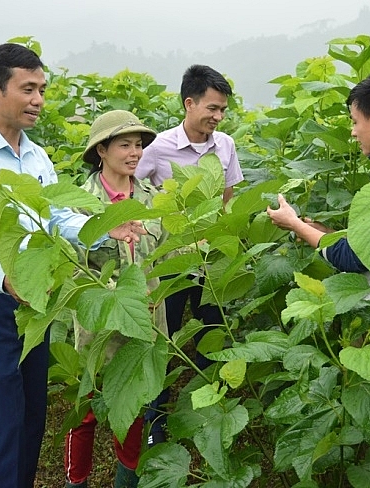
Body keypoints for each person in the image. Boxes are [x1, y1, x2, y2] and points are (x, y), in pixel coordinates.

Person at [0, 43, 145, 488]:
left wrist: (109, 228)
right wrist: (2, 277)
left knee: (31, 418)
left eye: (42, 90)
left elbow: (58, 217)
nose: (39, 101)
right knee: (4, 423)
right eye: (27, 89)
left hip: (35, 298)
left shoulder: (36, 156)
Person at [135, 64, 244, 444]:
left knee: (213, 334)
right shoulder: (158, 148)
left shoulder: (226, 146)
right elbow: (134, 192)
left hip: (210, 263)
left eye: (222, 111)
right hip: (171, 262)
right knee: (164, 339)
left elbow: (228, 201)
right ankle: (157, 421)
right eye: (212, 108)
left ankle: (206, 411)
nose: (217, 117)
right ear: (189, 103)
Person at [63, 110, 167, 488]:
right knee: (87, 410)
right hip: (99, 328)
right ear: (102, 151)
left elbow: (165, 257)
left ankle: (127, 481)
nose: (135, 152)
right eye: (125, 144)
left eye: (139, 145)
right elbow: (72, 265)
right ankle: (76, 482)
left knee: (136, 409)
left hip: (145, 323)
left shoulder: (152, 199)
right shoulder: (80, 205)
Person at [267, 70, 370, 302]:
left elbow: (352, 259)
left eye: (355, 121)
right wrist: (325, 233)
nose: (352, 132)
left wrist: (295, 225)